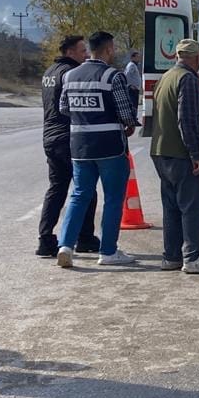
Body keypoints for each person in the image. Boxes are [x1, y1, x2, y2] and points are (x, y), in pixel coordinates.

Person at [56, 30, 139, 269]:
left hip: (79, 146)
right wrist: (129, 124)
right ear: (109, 49)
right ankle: (108, 251)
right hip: (110, 146)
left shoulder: (70, 75)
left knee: (79, 194)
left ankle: (65, 245)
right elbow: (126, 114)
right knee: (113, 198)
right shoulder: (112, 76)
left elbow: (64, 108)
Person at [150, 39, 199, 274]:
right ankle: (192, 257)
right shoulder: (188, 79)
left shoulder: (165, 78)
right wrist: (195, 153)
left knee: (171, 207)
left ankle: (171, 256)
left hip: (160, 150)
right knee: (194, 207)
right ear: (197, 58)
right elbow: (187, 119)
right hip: (180, 153)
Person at [37, 34, 99, 258]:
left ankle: (45, 239)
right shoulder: (70, 74)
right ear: (70, 52)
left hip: (50, 138)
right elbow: (72, 107)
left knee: (57, 188)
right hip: (68, 137)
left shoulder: (49, 72)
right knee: (86, 189)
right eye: (82, 51)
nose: (86, 55)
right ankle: (85, 238)